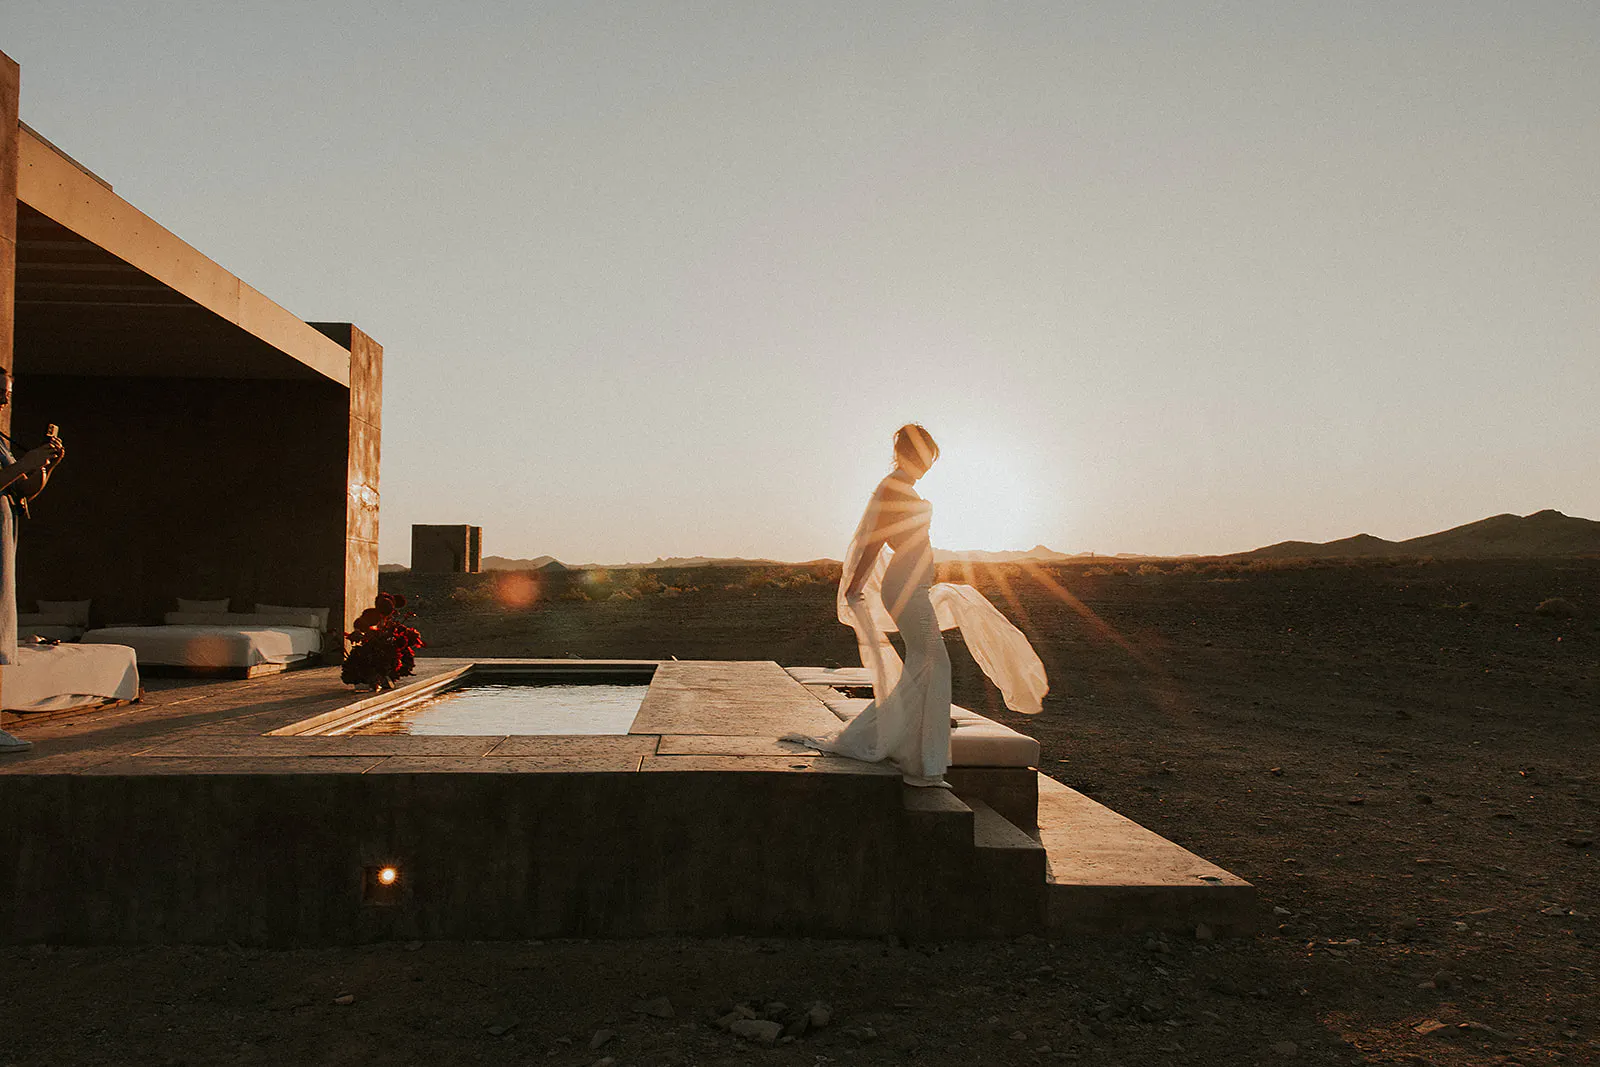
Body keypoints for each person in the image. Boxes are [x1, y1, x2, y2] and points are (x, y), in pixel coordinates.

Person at [785, 424, 1048, 786]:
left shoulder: (903, 488)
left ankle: (913, 749)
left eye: (931, 460)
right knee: (934, 663)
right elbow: (875, 540)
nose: (928, 465)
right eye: (926, 457)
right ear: (909, 453)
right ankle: (923, 761)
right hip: (904, 587)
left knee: (925, 665)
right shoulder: (891, 488)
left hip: (915, 585)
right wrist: (857, 584)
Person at [0, 366, 67, 753]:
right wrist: (25, 463)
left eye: (7, 392)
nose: (5, 399)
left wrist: (46, 466)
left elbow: (23, 490)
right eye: (0, 391)